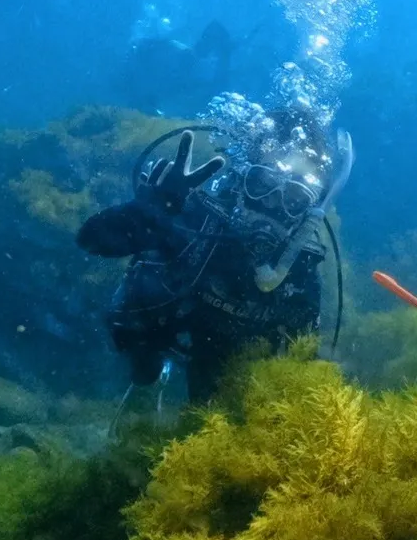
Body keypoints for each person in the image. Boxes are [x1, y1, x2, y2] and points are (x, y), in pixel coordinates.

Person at [77, 117, 351, 404]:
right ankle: (149, 374)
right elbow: (90, 240)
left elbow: (303, 358)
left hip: (226, 353)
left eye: (293, 198)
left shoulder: (300, 266)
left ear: (307, 213)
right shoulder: (200, 217)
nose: (271, 208)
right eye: (261, 186)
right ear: (240, 185)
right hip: (161, 326)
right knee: (141, 367)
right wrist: (146, 214)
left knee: (213, 400)